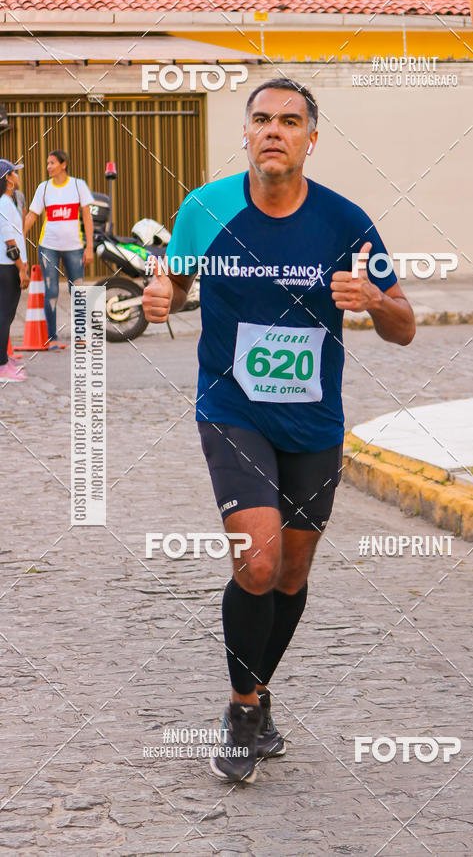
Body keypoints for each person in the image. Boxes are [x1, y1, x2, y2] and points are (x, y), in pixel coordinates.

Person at [142, 78, 416, 784]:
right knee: (257, 562)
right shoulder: (205, 209)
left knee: (292, 571)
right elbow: (173, 283)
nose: (274, 131)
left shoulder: (344, 223)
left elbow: (405, 326)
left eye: (289, 121)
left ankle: (259, 695)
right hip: (231, 409)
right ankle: (240, 707)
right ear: (246, 135)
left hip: (314, 420)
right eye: (261, 119)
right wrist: (158, 297)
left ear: (310, 139)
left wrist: (374, 299)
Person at [23, 150, 94, 350]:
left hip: (75, 248)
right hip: (48, 247)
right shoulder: (43, 188)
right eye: (47, 163)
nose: (48, 167)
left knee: (78, 291)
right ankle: (51, 338)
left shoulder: (78, 185)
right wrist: (17, 235)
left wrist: (89, 247)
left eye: (52, 163)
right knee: (52, 291)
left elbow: (87, 218)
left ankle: (81, 336)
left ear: (63, 164)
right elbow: (32, 216)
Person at [0, 160, 30, 382]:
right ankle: (2, 366)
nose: (17, 176)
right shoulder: (4, 203)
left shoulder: (7, 201)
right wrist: (22, 268)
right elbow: (9, 240)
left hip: (8, 265)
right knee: (4, 315)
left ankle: (4, 358)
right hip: (8, 266)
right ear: (8, 178)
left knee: (5, 315)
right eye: (14, 173)